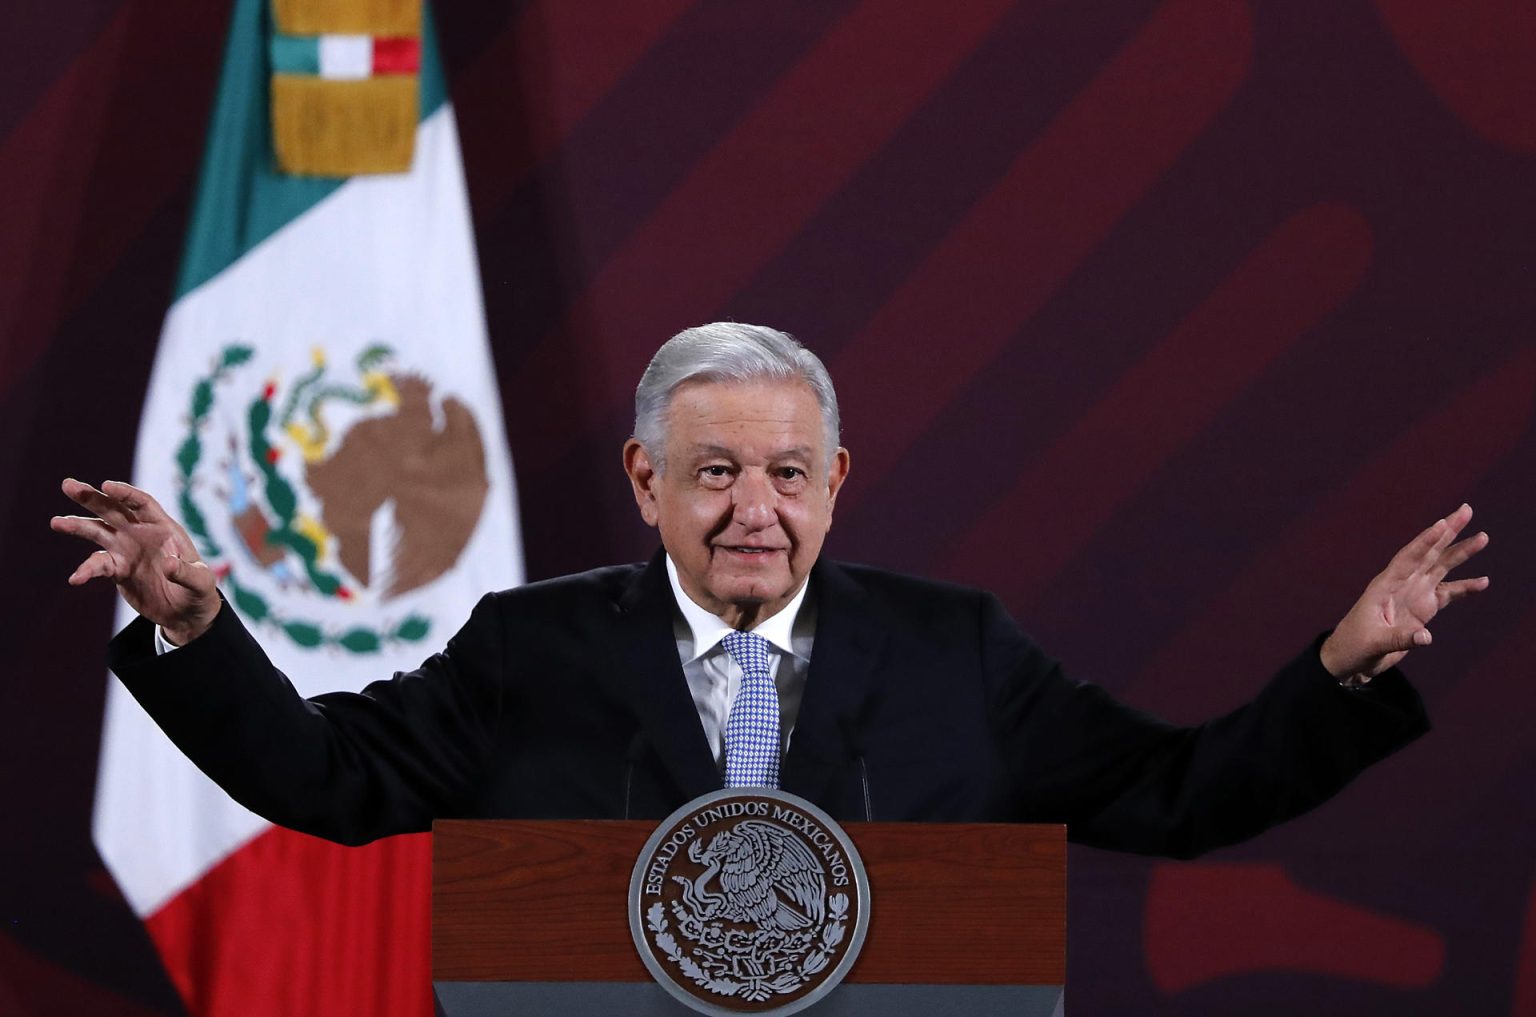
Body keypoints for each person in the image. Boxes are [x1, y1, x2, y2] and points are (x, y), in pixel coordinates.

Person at [53, 323, 1490, 857]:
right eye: (718, 470)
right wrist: (192, 621)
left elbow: (1176, 795)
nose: (757, 509)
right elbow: (327, 777)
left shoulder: (956, 651)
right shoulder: (530, 647)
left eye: (791, 473)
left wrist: (1341, 667)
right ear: (644, 480)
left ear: (840, 479)